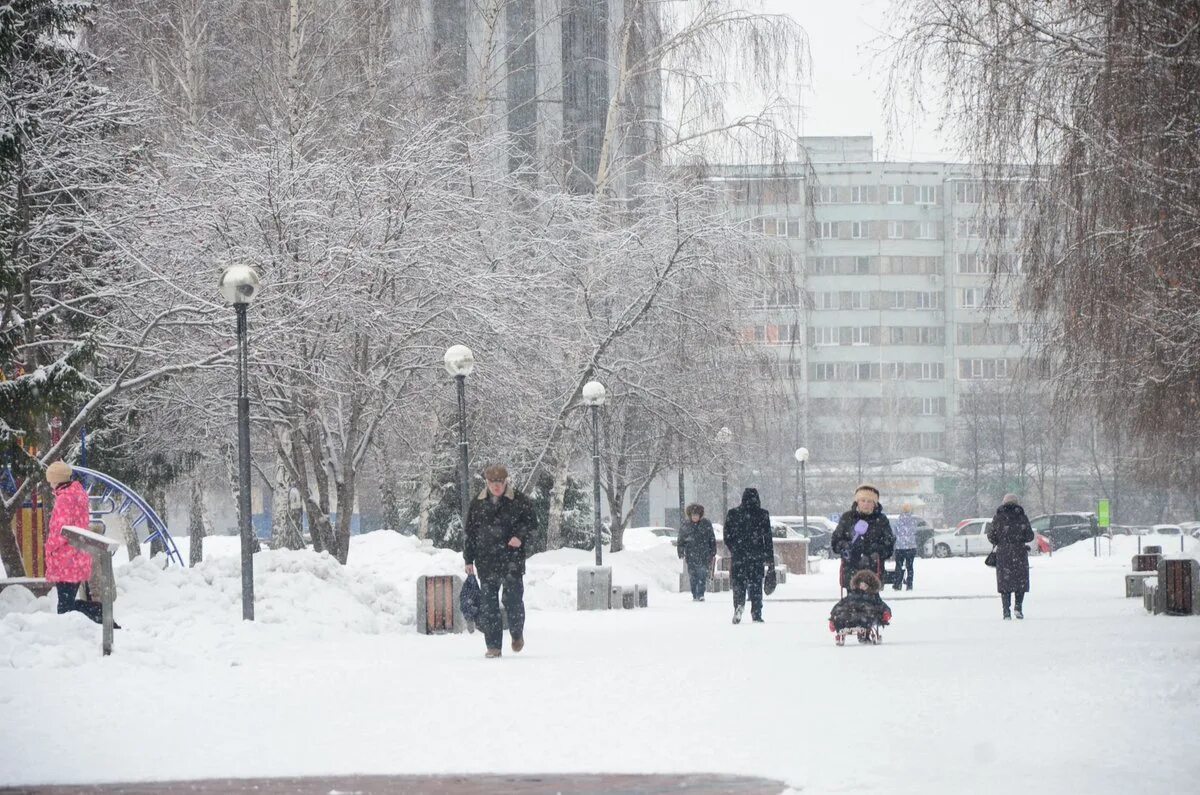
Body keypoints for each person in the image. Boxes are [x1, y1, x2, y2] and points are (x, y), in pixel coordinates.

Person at [463, 464, 536, 658]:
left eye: (500, 483)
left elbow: (532, 524)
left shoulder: (519, 501)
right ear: (486, 483)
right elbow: (470, 534)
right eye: (492, 483)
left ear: (506, 482)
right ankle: (493, 647)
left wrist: (520, 536)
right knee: (489, 606)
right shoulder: (477, 504)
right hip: (486, 561)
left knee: (513, 601)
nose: (496, 487)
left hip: (511, 560)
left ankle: (516, 633)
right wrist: (468, 559)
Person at [44, 461, 106, 625]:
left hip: (66, 559)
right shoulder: (77, 494)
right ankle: (99, 615)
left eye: (50, 480)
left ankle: (101, 614)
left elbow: (60, 530)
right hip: (77, 555)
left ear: (56, 480)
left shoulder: (64, 499)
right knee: (67, 605)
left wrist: (50, 548)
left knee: (65, 607)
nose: (50, 483)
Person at [722, 487, 774, 624]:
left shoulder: (733, 514)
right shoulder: (763, 515)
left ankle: (739, 605)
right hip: (756, 556)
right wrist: (770, 559)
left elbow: (727, 535)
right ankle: (756, 613)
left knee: (739, 584)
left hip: (739, 556)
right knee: (756, 585)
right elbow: (767, 539)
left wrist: (734, 548)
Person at [831, 484, 895, 591]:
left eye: (869, 501)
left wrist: (877, 550)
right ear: (857, 502)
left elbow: (889, 546)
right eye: (863, 500)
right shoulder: (847, 518)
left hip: (873, 574)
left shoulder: (881, 520)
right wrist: (845, 546)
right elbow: (835, 543)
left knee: (872, 605)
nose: (866, 504)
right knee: (852, 604)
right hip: (850, 571)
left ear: (875, 504)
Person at [987, 493, 1034, 620]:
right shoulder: (1022, 517)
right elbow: (1030, 536)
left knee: (1005, 584)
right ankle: (1018, 608)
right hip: (1019, 553)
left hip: (1004, 554)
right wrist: (1020, 538)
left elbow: (991, 536)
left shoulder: (998, 517)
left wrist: (1001, 541)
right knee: (1020, 582)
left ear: (1003, 503)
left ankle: (1006, 611)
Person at [828, 569, 892, 645]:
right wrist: (833, 617)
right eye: (861, 585)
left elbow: (881, 605)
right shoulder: (852, 595)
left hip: (866, 614)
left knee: (868, 615)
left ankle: (865, 635)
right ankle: (839, 628)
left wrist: (886, 612)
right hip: (851, 614)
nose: (862, 587)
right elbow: (841, 604)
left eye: (865, 585)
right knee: (842, 614)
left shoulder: (873, 596)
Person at [677, 503, 717, 601]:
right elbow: (680, 540)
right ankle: (694, 593)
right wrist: (681, 551)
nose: (695, 517)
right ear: (690, 515)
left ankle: (701, 594)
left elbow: (712, 538)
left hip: (704, 554)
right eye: (693, 515)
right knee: (693, 576)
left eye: (697, 515)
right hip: (691, 555)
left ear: (700, 515)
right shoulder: (686, 525)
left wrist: (713, 550)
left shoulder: (706, 524)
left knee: (702, 574)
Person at [891, 502, 918, 591]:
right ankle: (909, 584)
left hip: (900, 547)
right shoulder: (913, 520)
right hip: (911, 546)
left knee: (898, 566)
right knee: (909, 566)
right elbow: (915, 531)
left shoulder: (898, 520)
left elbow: (895, 533)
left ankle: (897, 584)